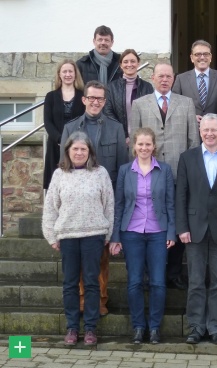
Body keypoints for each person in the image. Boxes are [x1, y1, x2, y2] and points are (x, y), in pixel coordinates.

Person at [60, 80, 128, 316]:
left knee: (101, 256)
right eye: (92, 98)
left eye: (100, 99)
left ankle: (100, 299)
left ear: (105, 102)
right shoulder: (70, 128)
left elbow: (121, 169)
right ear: (84, 100)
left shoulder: (116, 128)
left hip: (103, 202)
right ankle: (80, 299)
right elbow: (63, 168)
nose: (96, 102)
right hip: (75, 203)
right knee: (77, 258)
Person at [130, 62, 200, 290]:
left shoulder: (186, 103)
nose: (164, 80)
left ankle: (174, 272)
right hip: (151, 175)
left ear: (173, 78)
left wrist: (191, 173)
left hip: (180, 173)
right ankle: (152, 273)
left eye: (168, 76)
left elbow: (193, 142)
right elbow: (134, 140)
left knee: (178, 222)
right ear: (152, 77)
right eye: (160, 76)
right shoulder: (139, 105)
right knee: (153, 223)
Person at [42, 131, 114, 346]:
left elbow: (109, 205)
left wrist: (107, 233)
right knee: (70, 284)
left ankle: (91, 329)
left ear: (90, 151)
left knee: (92, 283)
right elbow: (50, 208)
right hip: (68, 236)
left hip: (93, 235)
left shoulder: (100, 173)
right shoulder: (59, 175)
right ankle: (72, 328)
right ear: (68, 151)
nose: (80, 152)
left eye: (84, 149)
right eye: (75, 149)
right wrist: (51, 235)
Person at [176, 113, 217, 345]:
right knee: (195, 280)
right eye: (206, 130)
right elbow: (181, 195)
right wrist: (181, 227)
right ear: (200, 132)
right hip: (194, 230)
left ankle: (215, 327)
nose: (210, 134)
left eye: (214, 130)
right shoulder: (187, 158)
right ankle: (195, 326)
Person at [109, 128, 175, 345]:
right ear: (134, 146)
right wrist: (116, 236)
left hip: (158, 233)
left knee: (157, 282)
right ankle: (138, 327)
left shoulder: (164, 170)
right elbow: (119, 205)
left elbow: (170, 203)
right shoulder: (125, 170)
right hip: (132, 233)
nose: (144, 148)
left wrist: (171, 231)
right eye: (140, 144)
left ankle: (154, 328)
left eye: (148, 144)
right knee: (134, 282)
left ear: (154, 146)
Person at [43, 59, 85, 190]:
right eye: (64, 71)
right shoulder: (51, 96)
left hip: (78, 145)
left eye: (70, 71)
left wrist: (74, 141)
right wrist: (60, 139)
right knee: (56, 184)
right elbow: (47, 121)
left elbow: (85, 119)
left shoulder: (83, 96)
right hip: (55, 145)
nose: (68, 74)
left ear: (75, 74)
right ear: (59, 74)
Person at [172, 40, 217, 123]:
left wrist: (214, 119)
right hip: (190, 130)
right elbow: (174, 107)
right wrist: (190, 117)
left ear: (211, 57)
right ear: (192, 58)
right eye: (198, 54)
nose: (202, 57)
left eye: (206, 54)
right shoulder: (181, 79)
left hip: (214, 131)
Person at [104, 49, 154, 145]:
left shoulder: (147, 87)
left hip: (142, 140)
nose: (129, 64)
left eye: (133, 61)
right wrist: (123, 135)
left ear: (138, 63)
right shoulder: (111, 87)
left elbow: (151, 113)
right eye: (125, 62)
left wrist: (140, 136)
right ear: (121, 65)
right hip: (119, 138)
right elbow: (108, 112)